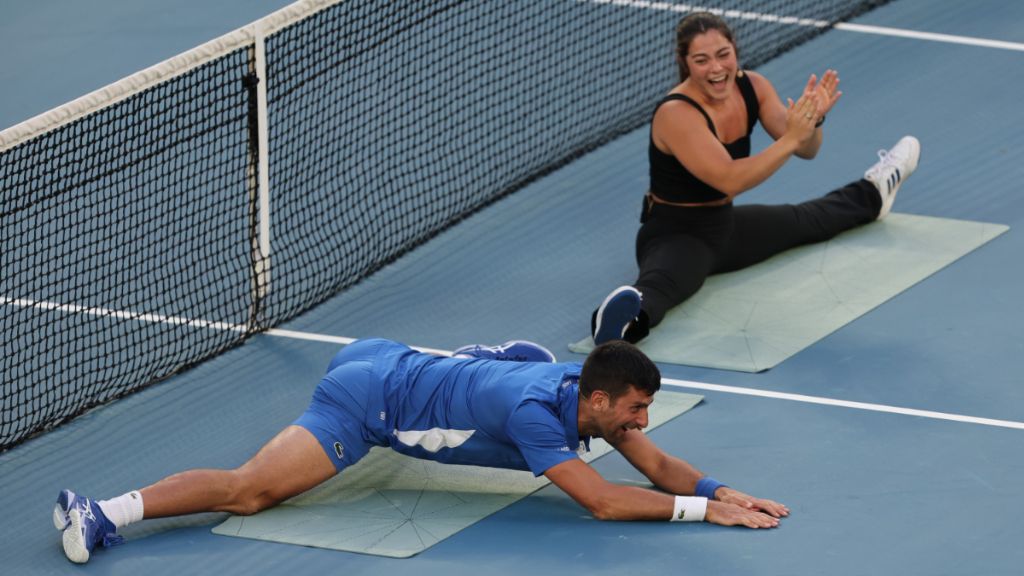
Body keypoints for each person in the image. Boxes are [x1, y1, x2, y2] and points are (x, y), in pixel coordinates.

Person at [54, 338, 787, 564]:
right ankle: (102, 512)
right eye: (634, 409)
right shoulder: (541, 414)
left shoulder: (589, 389)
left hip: (399, 356)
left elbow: (656, 466)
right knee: (252, 490)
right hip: (368, 400)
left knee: (499, 374)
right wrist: (699, 516)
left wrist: (721, 489)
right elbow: (598, 502)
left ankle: (482, 359)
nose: (643, 420)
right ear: (596, 400)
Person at [591, 12, 921, 345]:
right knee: (661, 287)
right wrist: (792, 138)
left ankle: (874, 193)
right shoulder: (676, 113)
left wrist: (812, 122)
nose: (717, 68)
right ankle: (618, 324)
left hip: (724, 227)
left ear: (735, 50)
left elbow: (808, 151)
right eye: (702, 60)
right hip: (676, 234)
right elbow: (730, 180)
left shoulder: (753, 86)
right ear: (685, 63)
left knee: (806, 219)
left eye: (723, 55)